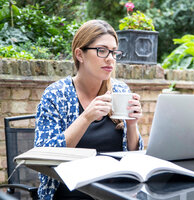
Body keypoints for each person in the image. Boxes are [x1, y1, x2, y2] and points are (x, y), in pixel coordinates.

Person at [34, 19, 144, 199]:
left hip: (117, 192)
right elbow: (44, 157)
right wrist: (85, 118)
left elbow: (133, 155)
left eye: (114, 52)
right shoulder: (56, 95)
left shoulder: (120, 91)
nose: (110, 58)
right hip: (70, 194)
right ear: (80, 54)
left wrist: (132, 125)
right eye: (102, 51)